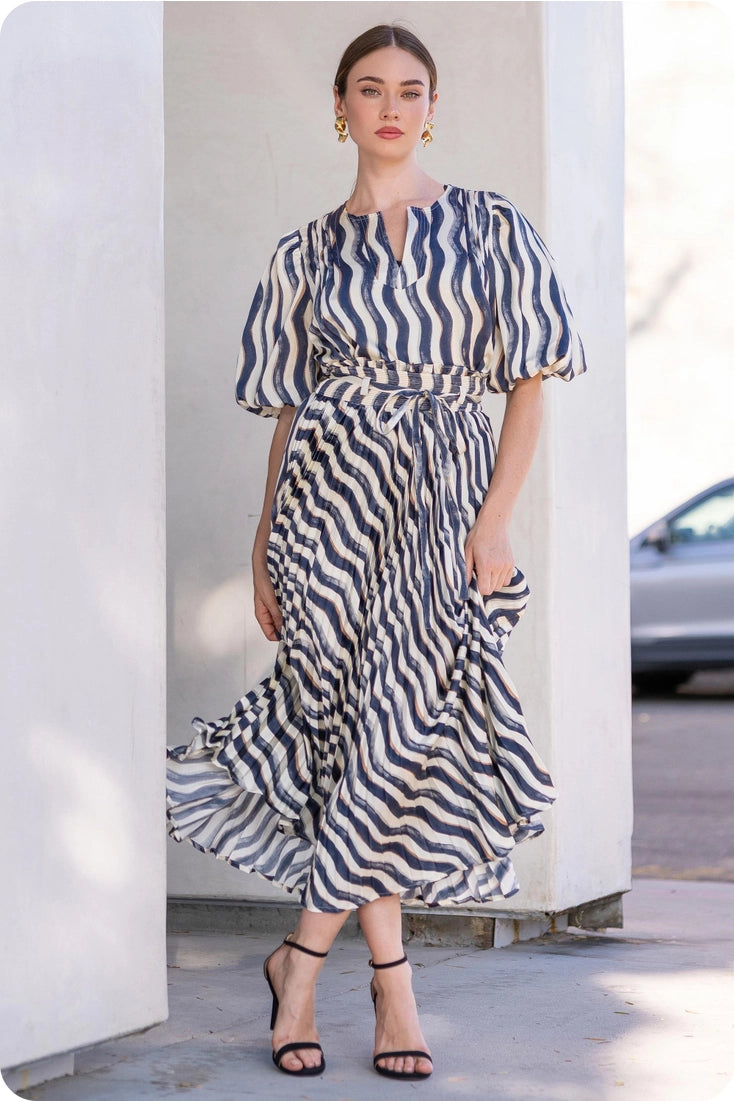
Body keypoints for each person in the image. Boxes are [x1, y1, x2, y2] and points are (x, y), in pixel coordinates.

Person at [166, 22, 587, 1082]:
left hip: (442, 500)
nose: (390, 106)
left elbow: (529, 382)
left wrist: (493, 521)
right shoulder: (303, 254)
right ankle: (387, 984)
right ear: (340, 108)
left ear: (431, 109)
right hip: (326, 512)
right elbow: (287, 412)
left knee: (400, 728)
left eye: (409, 89)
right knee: (354, 737)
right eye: (369, 88)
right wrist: (264, 541)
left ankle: (305, 964)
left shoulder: (491, 226)